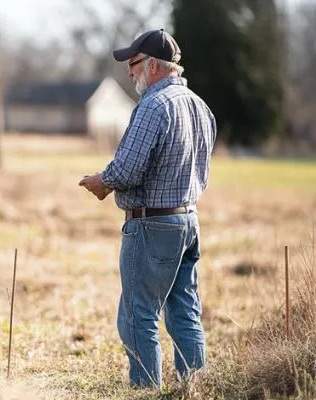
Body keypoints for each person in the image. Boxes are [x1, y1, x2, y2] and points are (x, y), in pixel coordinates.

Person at [78, 28, 217, 390]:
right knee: (184, 311)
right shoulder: (199, 105)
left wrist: (102, 181)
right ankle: (194, 389)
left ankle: (145, 392)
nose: (129, 72)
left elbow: (127, 169)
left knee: (138, 316)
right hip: (188, 219)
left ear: (153, 66)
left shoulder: (154, 106)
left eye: (134, 63)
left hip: (153, 225)